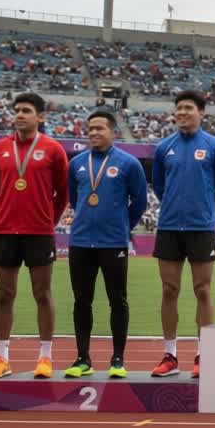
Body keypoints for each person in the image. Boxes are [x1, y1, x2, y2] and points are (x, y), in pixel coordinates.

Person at [0, 93, 69, 380]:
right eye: (17, 110)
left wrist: (48, 221)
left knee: (42, 293)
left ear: (40, 117)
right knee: (4, 294)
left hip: (39, 232)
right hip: (4, 231)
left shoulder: (53, 149)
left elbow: (63, 192)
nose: (20, 115)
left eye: (26, 111)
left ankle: (45, 357)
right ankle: (1, 358)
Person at [150, 90, 215, 379]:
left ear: (201, 112)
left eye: (188, 108)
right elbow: (159, 186)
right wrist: (175, 207)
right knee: (168, 289)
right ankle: (170, 355)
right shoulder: (163, 147)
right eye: (179, 108)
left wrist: (208, 214)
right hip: (169, 227)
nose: (182, 113)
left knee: (203, 290)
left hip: (201, 228)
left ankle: (202, 354)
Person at [63, 110, 148, 379]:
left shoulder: (129, 163)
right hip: (80, 241)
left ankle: (118, 359)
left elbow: (140, 201)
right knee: (81, 301)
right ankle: (82, 358)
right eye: (90, 129)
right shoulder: (76, 163)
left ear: (113, 132)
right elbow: (74, 199)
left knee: (117, 300)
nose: (94, 133)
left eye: (100, 128)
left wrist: (122, 226)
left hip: (113, 243)